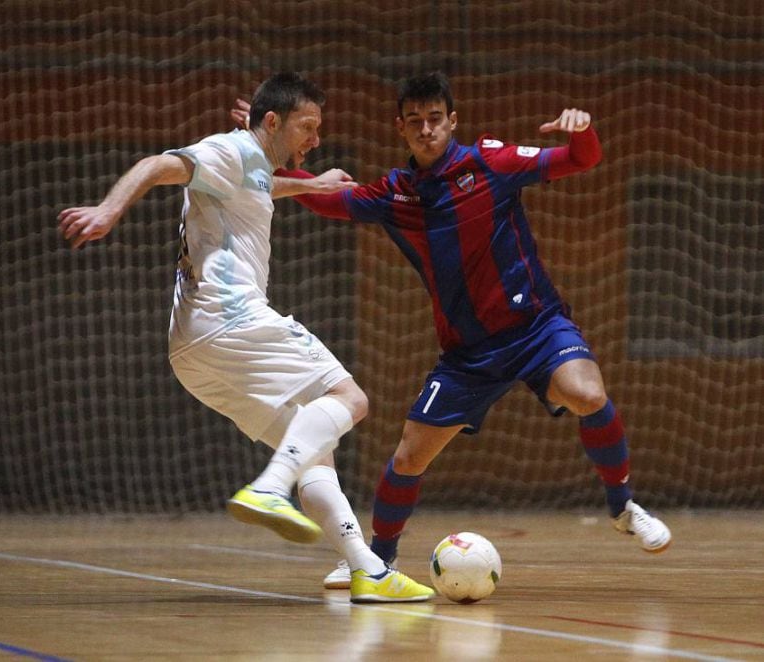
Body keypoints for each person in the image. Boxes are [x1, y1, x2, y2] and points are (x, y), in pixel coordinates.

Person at [234, 71, 672, 589]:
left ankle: (623, 508)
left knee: (587, 393)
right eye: (415, 122)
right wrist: (274, 158)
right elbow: (329, 199)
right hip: (468, 355)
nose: (426, 130)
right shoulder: (397, 194)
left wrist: (581, 131)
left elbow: (583, 159)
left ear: (453, 121)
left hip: (536, 328)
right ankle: (378, 560)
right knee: (409, 455)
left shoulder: (490, 163)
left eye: (435, 119)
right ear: (400, 128)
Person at [58, 72, 434, 603]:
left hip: (191, 351)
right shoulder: (229, 151)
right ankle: (269, 488)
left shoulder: (249, 165)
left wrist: (310, 182)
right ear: (273, 121)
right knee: (349, 399)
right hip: (232, 320)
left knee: (312, 450)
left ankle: (367, 570)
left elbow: (257, 184)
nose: (316, 139)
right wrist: (108, 210)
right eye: (308, 126)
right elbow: (160, 164)